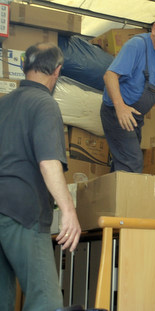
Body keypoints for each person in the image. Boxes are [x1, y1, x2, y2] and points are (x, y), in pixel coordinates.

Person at [0, 42, 81, 311]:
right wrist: (68, 211)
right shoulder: (45, 104)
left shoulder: (3, 104)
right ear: (57, 71)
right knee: (46, 300)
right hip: (23, 213)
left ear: (24, 67)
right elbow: (48, 163)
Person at [100, 13, 155, 172]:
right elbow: (110, 75)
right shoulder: (137, 46)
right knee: (133, 161)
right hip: (115, 112)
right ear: (154, 29)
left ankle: (110, 194)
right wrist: (121, 108)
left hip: (136, 117)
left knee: (125, 161)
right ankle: (129, 196)